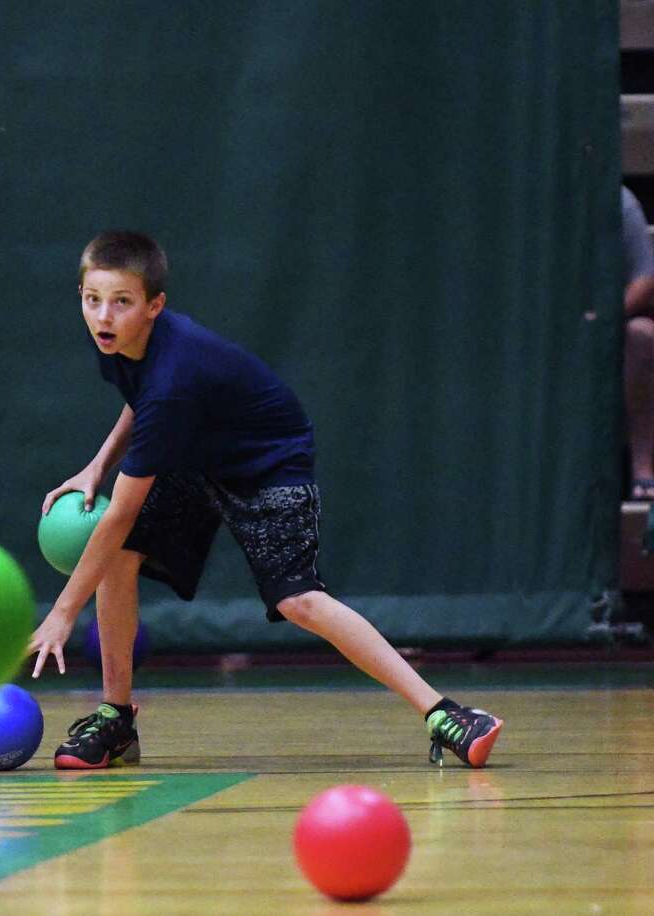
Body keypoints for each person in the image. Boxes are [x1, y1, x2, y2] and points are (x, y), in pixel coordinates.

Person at [29, 231, 502, 771]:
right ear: (81, 295)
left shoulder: (173, 376)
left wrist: (63, 614)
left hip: (268, 463)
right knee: (118, 555)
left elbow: (121, 510)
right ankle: (116, 718)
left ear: (154, 306)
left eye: (121, 302)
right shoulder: (120, 343)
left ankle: (446, 713)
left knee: (297, 599)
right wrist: (97, 466)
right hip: (198, 453)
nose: (104, 315)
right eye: (94, 299)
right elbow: (142, 402)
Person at [622, 186, 654, 500]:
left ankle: (643, 470)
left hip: (609, 327)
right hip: (552, 333)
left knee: (641, 334)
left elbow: (645, 279)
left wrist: (601, 321)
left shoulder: (621, 203)